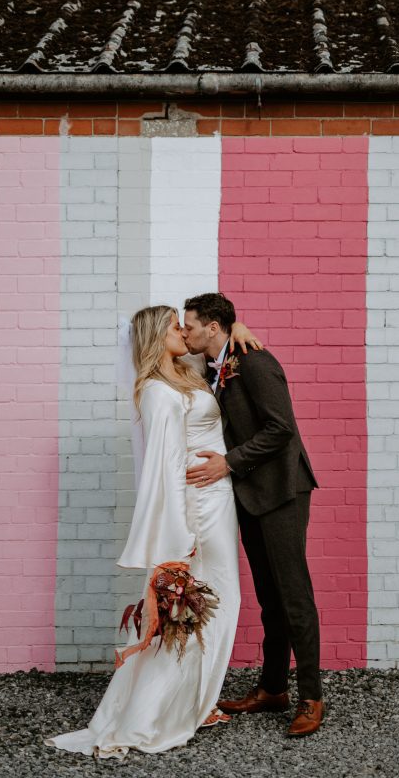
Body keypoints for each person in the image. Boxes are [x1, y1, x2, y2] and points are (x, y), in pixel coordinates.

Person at [44, 306, 258, 760]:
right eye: (175, 326)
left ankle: (195, 702)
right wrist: (180, 536)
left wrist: (236, 325)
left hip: (217, 502)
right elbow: (162, 471)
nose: (184, 330)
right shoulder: (159, 392)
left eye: (185, 324)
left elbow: (217, 347)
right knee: (194, 608)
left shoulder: (186, 371)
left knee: (216, 604)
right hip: (197, 511)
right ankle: (156, 712)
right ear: (155, 337)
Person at [182, 292, 324, 738]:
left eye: (189, 325)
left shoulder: (255, 361)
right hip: (250, 495)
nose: (184, 332)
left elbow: (281, 429)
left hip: (282, 491)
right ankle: (273, 688)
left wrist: (228, 462)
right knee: (269, 596)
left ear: (213, 326)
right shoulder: (215, 364)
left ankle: (311, 696)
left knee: (293, 594)